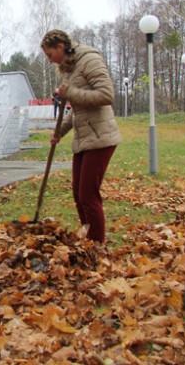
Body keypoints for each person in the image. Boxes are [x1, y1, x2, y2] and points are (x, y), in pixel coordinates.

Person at [40, 29, 121, 243]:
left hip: (100, 138)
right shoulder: (69, 68)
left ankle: (96, 247)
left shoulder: (89, 60)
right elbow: (76, 110)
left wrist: (71, 93)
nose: (49, 61)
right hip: (84, 139)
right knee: (78, 195)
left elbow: (106, 95)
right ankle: (89, 239)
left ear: (60, 46)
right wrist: (60, 131)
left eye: (50, 55)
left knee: (88, 196)